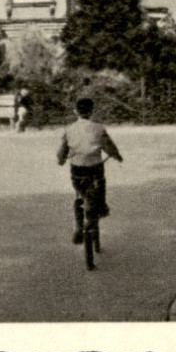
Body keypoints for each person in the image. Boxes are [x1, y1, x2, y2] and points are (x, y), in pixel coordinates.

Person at [57, 96, 123, 244]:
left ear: (76, 112)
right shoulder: (99, 128)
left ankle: (79, 226)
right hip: (95, 171)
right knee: (100, 190)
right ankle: (101, 207)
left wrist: (61, 160)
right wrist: (117, 155)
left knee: (80, 196)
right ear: (92, 111)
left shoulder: (69, 130)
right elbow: (109, 147)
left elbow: (62, 152)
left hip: (78, 172)